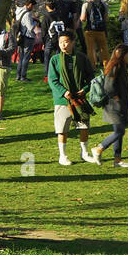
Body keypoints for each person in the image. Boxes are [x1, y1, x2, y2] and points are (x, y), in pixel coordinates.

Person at [47, 30, 97, 165]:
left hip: (79, 99)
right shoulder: (55, 60)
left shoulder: (81, 58)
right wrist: (64, 92)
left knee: (84, 126)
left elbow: (91, 78)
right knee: (62, 129)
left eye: (66, 41)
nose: (63, 45)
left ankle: (84, 153)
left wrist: (85, 89)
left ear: (73, 42)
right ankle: (62, 156)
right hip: (62, 100)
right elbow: (52, 80)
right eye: (60, 42)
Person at [93, 43, 128, 167]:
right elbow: (108, 87)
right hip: (114, 106)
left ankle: (117, 160)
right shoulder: (115, 67)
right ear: (123, 55)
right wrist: (116, 97)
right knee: (120, 131)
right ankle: (99, 148)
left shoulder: (120, 66)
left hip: (118, 105)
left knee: (119, 131)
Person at [80, 0, 110, 68]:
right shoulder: (103, 4)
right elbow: (106, 18)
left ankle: (92, 66)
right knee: (103, 48)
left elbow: (83, 18)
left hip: (90, 30)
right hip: (101, 30)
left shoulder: (86, 4)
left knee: (90, 49)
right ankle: (106, 65)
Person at [13, 0, 39, 81]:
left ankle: (18, 76)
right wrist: (36, 22)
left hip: (20, 37)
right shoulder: (27, 14)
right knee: (26, 57)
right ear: (30, 4)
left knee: (21, 57)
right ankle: (23, 76)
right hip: (27, 37)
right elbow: (31, 27)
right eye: (33, 6)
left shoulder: (18, 11)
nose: (33, 8)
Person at [40, 0, 63, 83]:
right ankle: (59, 74)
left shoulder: (46, 17)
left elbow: (43, 31)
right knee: (58, 57)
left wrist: (43, 43)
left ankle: (47, 75)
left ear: (47, 6)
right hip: (59, 38)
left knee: (47, 57)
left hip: (49, 39)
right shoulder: (59, 15)